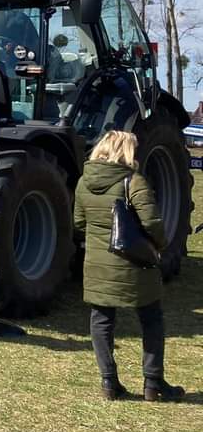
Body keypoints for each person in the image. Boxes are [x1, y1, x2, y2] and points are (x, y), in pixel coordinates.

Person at [74, 130, 184, 402]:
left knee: (101, 321)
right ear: (125, 151)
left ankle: (109, 381)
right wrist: (160, 245)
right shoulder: (133, 182)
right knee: (151, 318)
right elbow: (152, 223)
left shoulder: (83, 183)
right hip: (135, 264)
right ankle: (153, 381)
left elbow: (78, 223)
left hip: (98, 264)